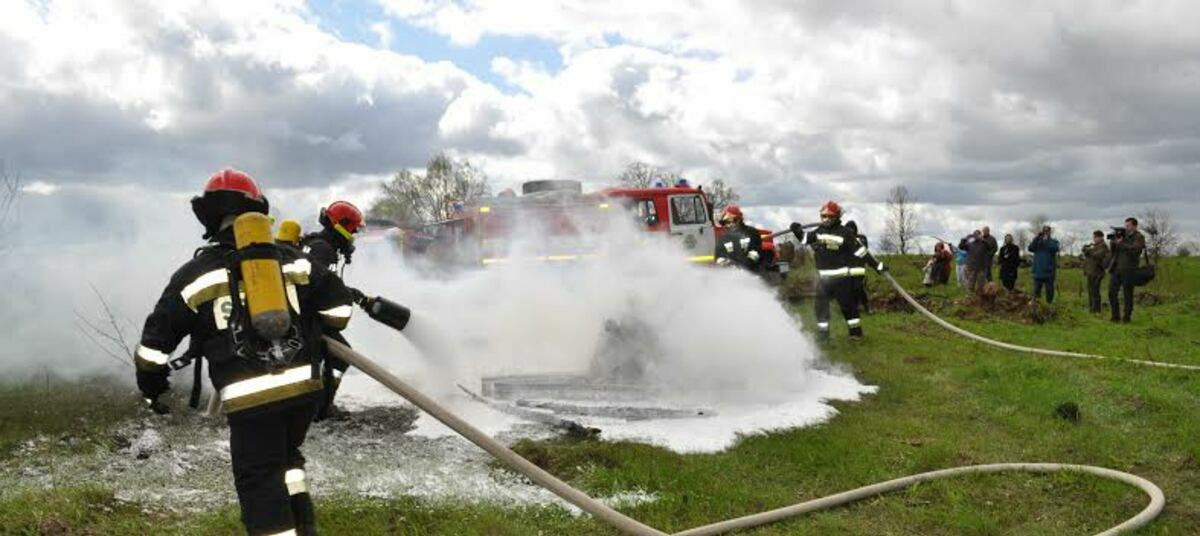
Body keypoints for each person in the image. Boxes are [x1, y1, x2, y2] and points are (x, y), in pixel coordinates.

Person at [134, 169, 354, 536]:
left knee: (260, 483)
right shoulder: (293, 260)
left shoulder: (195, 274)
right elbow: (339, 313)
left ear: (210, 217)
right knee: (289, 464)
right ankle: (305, 528)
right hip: (303, 393)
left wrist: (152, 388)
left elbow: (155, 346)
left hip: (250, 402)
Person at [300, 201, 365, 420]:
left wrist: (348, 291)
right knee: (340, 357)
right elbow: (317, 287)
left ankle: (314, 404)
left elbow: (321, 281)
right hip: (306, 318)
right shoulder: (323, 250)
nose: (353, 236)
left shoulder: (315, 244)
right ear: (341, 226)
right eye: (352, 230)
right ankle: (320, 409)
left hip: (300, 313)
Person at [789, 201, 886, 340]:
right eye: (824, 216)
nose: (826, 220)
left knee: (848, 307)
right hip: (824, 280)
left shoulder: (845, 233)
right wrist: (796, 230)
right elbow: (805, 239)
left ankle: (856, 334)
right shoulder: (819, 231)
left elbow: (861, 252)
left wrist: (877, 266)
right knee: (820, 308)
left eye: (830, 217)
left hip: (842, 279)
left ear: (837, 217)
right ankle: (823, 334)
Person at [1108, 217, 1146, 323]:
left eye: (1128, 225)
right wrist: (1114, 242)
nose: (1126, 228)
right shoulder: (1122, 236)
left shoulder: (1139, 236)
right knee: (1111, 292)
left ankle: (1127, 317)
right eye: (1125, 225)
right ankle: (1115, 316)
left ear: (1134, 226)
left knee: (1127, 294)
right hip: (1116, 268)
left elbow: (1136, 250)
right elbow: (1113, 251)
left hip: (1129, 269)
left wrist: (1122, 244)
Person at [714, 205, 764, 273]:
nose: (731, 224)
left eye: (733, 221)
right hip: (730, 275)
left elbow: (756, 252)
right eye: (727, 222)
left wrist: (745, 267)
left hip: (752, 272)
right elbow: (718, 256)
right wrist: (727, 265)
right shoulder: (723, 238)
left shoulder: (751, 232)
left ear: (739, 220)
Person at [1028, 225, 1060, 303]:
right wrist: (1037, 237)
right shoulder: (1037, 242)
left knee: (1049, 290)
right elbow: (1030, 248)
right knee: (1036, 291)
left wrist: (1046, 241)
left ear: (1050, 232)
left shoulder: (1054, 242)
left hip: (1049, 271)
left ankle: (1049, 304)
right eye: (1044, 231)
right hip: (1038, 271)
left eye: (1047, 231)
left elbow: (1055, 249)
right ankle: (1036, 305)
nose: (1045, 233)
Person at [1081, 230, 1111, 314]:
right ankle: (1092, 309)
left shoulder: (1103, 246)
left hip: (1097, 272)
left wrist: (1089, 250)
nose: (1094, 239)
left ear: (1100, 237)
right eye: (1094, 237)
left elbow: (1097, 255)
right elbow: (1088, 255)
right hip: (1091, 271)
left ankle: (1097, 310)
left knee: (1095, 292)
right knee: (1091, 291)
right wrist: (1086, 249)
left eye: (1095, 237)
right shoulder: (1094, 246)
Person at [845, 220, 871, 313]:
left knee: (858, 287)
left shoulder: (861, 238)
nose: (850, 231)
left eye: (852, 229)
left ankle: (867, 307)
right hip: (848, 269)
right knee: (850, 289)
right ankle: (854, 307)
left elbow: (864, 251)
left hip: (859, 268)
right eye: (848, 229)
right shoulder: (844, 239)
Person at [958, 230, 989, 294]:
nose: (976, 236)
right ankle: (970, 298)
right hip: (971, 267)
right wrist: (964, 239)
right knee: (970, 285)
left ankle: (981, 298)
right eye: (974, 234)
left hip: (981, 268)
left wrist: (982, 239)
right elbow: (961, 247)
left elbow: (989, 247)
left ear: (980, 235)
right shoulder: (970, 243)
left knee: (981, 285)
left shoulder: (984, 243)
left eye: (977, 234)